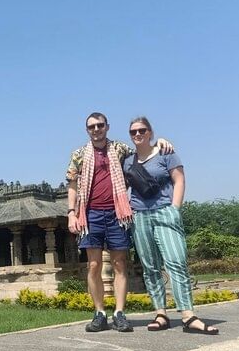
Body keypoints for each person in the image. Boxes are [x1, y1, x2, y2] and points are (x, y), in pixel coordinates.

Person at [66, 112, 172, 333]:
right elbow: (72, 184)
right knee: (93, 265)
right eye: (92, 127)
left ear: (107, 126)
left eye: (100, 125)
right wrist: (71, 213)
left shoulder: (120, 149)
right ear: (87, 130)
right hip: (90, 213)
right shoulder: (79, 154)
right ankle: (99, 313)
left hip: (117, 212)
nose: (96, 129)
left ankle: (119, 313)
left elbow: (143, 154)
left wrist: (159, 142)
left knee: (120, 264)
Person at [123, 116, 218, 334]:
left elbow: (179, 180)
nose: (137, 134)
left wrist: (175, 208)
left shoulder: (166, 153)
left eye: (142, 130)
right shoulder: (127, 160)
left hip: (165, 211)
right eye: (133, 132)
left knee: (176, 261)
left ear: (150, 132)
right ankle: (161, 313)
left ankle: (188, 315)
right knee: (150, 267)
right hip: (140, 215)